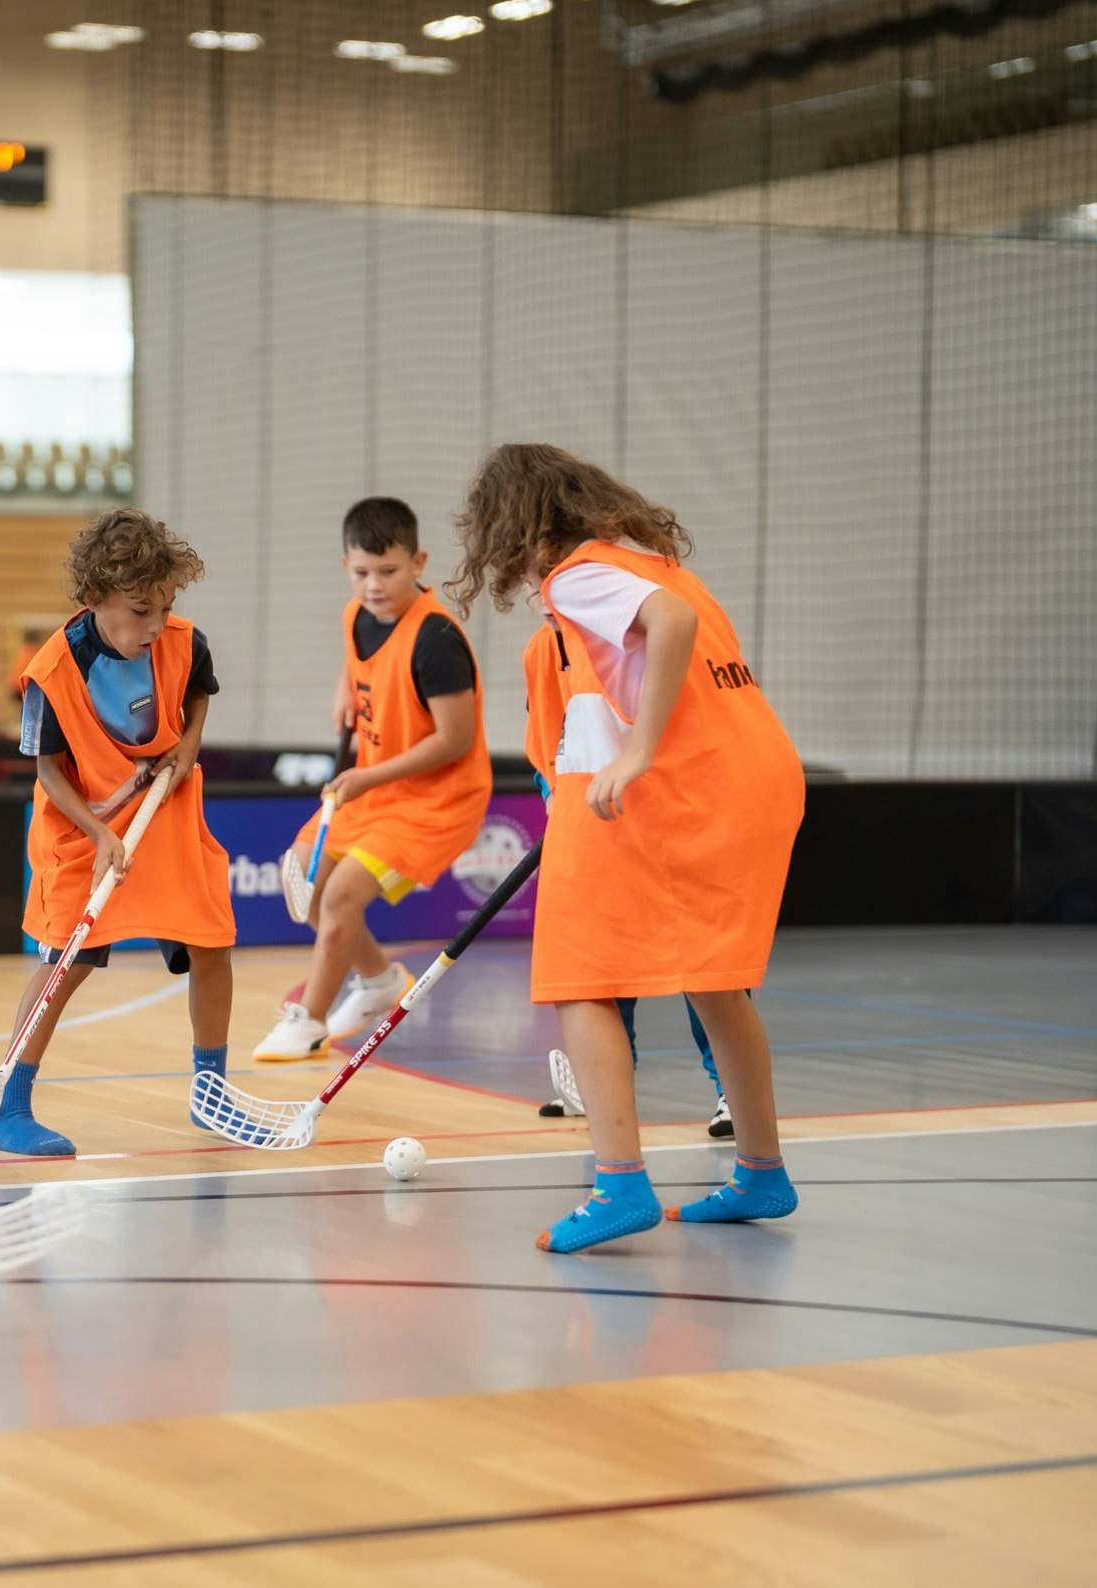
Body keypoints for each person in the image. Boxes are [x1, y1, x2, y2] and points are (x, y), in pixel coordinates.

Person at [448, 444, 803, 1254]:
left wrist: (639, 752)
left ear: (518, 524)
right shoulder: (664, 568)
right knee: (716, 982)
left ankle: (619, 1186)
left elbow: (666, 635)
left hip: (688, 786)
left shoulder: (579, 574)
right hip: (757, 778)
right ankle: (760, 1172)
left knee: (581, 977)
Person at [0, 508, 239, 1157]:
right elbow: (48, 770)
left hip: (167, 814)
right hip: (83, 827)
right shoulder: (52, 671)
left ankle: (211, 1093)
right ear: (95, 597)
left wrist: (188, 743)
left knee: (211, 945)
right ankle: (9, 1109)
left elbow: (200, 688)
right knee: (66, 964)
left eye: (165, 607)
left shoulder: (184, 640)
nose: (156, 627)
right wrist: (100, 835)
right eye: (139, 611)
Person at [253, 497, 489, 1062]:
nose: (375, 585)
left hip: (435, 799)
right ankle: (381, 982)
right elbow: (362, 662)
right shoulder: (356, 614)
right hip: (375, 787)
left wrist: (368, 773)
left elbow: (454, 740)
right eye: (362, 573)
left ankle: (308, 1020)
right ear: (345, 567)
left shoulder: (436, 642)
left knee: (338, 898)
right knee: (303, 881)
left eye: (389, 571)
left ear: (418, 562)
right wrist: (346, 691)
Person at [523, 627, 737, 1139]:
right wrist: (553, 793)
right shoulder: (543, 650)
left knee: (704, 970)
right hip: (601, 830)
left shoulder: (656, 634)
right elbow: (547, 739)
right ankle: (604, 1091)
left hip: (675, 823)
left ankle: (731, 1092)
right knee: (600, 967)